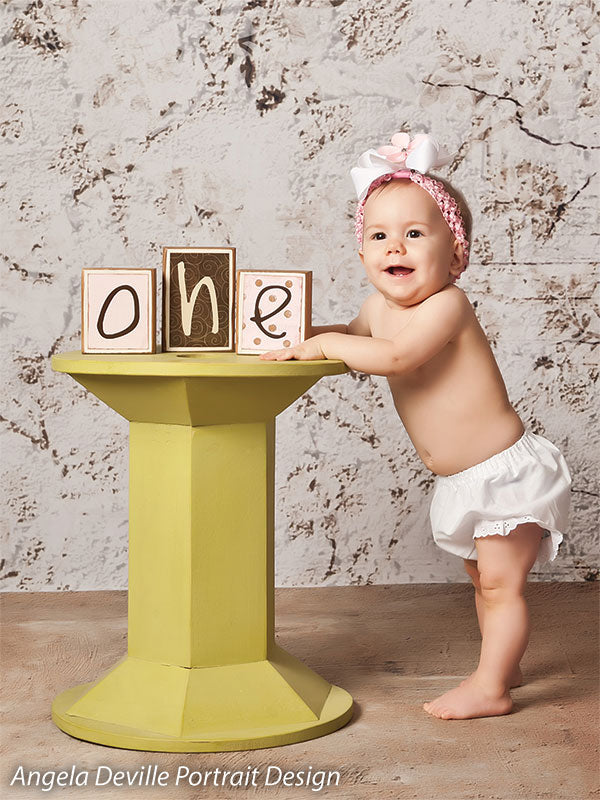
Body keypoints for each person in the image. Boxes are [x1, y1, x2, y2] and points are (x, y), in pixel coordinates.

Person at [260, 132, 571, 720]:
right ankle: (503, 662)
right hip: (461, 480)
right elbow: (351, 338)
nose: (394, 247)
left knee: (500, 586)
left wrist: (327, 346)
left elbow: (397, 357)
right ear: (362, 254)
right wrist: (303, 335)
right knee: (483, 583)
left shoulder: (448, 305)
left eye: (414, 234)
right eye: (378, 236)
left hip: (504, 475)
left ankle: (491, 687)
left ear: (455, 256)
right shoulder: (377, 310)